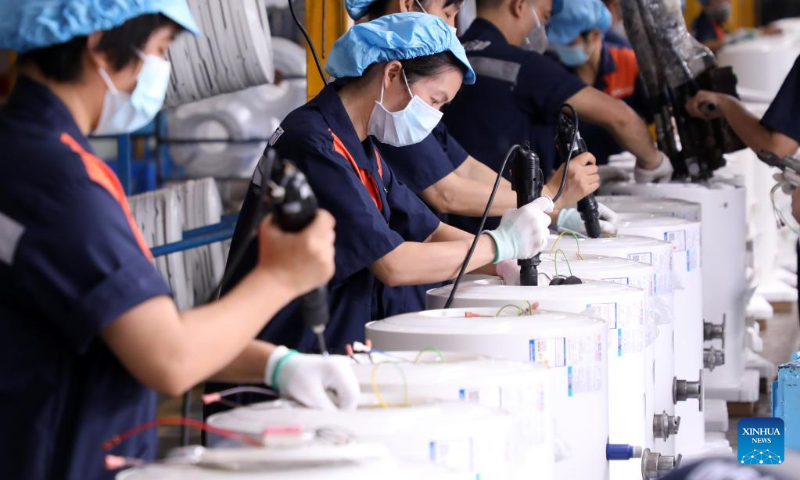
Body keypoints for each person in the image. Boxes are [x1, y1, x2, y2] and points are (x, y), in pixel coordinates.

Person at [0, 2, 359, 479]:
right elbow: (168, 357)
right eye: (159, 50)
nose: (161, 72)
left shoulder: (20, 152)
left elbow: (135, 325)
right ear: (99, 45)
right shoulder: (64, 184)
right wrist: (281, 276)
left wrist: (277, 365)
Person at [223, 13, 554, 357]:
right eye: (434, 101)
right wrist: (498, 244)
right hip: (277, 356)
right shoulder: (314, 144)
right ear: (393, 73)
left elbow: (428, 230)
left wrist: (503, 263)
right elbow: (393, 264)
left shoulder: (361, 144)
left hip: (328, 349)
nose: (435, 115)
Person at [344, 0, 604, 316]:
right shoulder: (380, 120)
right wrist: (507, 237)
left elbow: (437, 212)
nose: (452, 25)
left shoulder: (378, 130)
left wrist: (510, 251)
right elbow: (444, 196)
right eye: (449, 13)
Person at [441, 0, 673, 234]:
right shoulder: (522, 66)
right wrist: (654, 163)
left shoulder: (447, 58)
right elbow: (620, 117)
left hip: (450, 230)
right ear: (519, 6)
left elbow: (473, 157)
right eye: (544, 17)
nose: (543, 28)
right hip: (506, 228)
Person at [548, 0, 650, 166]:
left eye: (570, 42)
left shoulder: (628, 63)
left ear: (594, 35)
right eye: (559, 42)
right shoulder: (553, 69)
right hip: (571, 174)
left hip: (624, 170)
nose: (562, 48)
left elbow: (654, 118)